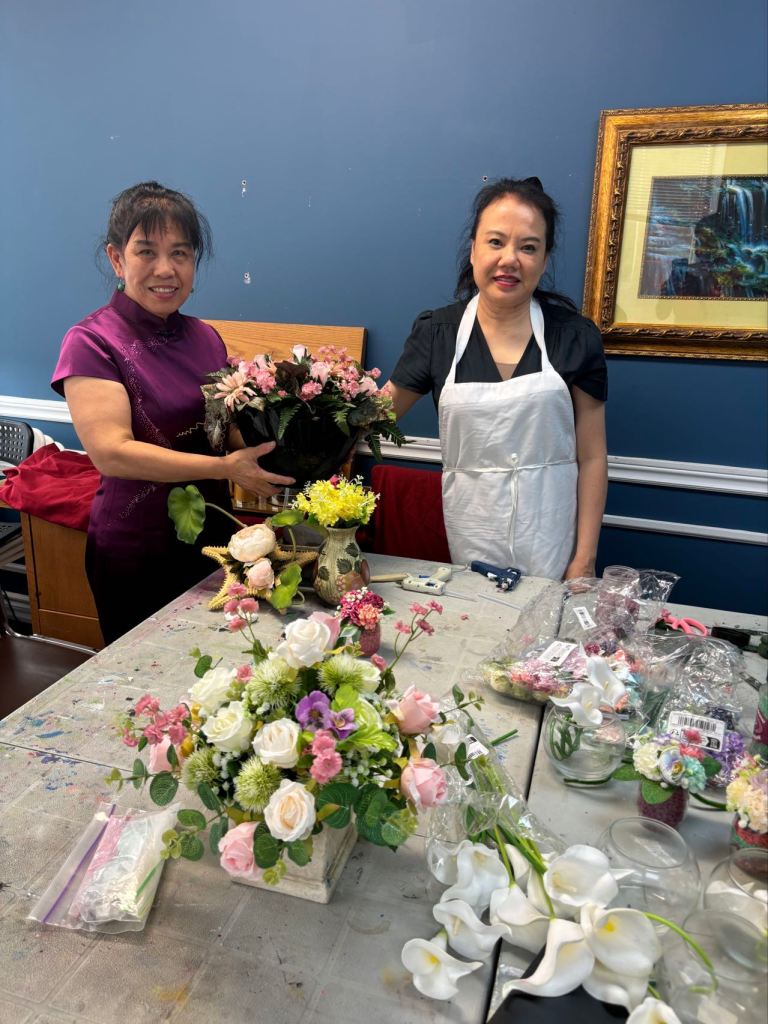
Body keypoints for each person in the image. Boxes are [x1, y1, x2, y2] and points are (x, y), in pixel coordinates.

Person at [51, 181, 293, 643]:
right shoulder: (92, 341)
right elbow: (112, 453)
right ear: (117, 259)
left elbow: (222, 427)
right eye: (146, 251)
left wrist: (287, 447)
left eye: (180, 253)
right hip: (136, 548)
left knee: (222, 665)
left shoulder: (205, 336)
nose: (166, 269)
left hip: (214, 539)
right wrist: (225, 467)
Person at [387, 177, 607, 581]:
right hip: (470, 537)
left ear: (544, 260)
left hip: (553, 542)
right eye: (496, 242)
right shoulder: (436, 334)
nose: (510, 259)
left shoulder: (575, 338)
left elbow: (592, 457)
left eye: (528, 247)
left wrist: (584, 560)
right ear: (473, 249)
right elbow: (373, 418)